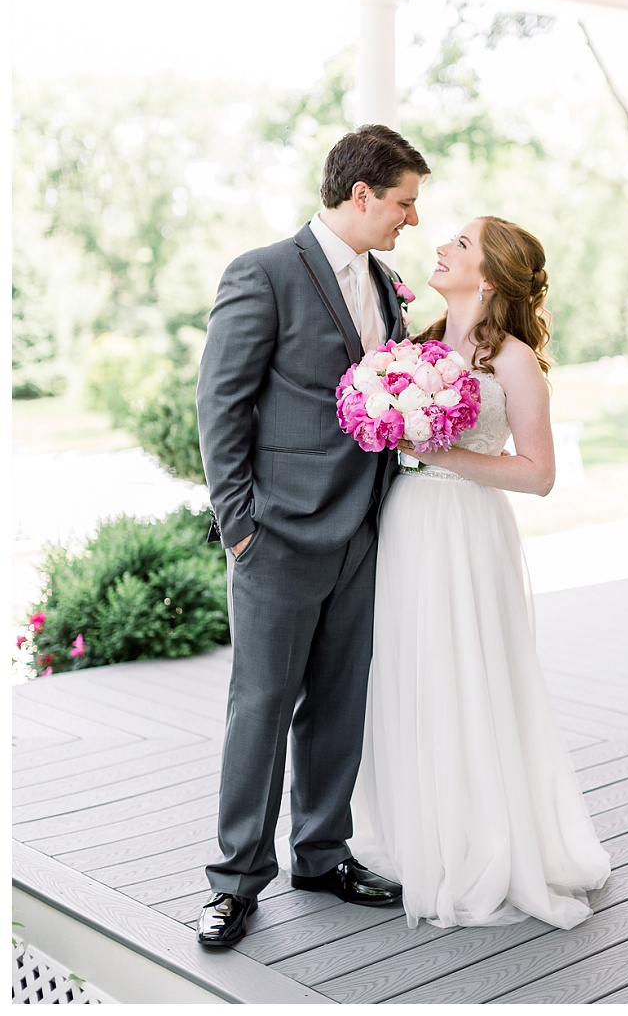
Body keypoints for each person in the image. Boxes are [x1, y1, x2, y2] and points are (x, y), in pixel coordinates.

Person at [195, 124, 429, 946]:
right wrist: (240, 528)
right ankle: (234, 881)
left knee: (339, 701)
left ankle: (323, 853)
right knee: (260, 707)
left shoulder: (388, 283)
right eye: (403, 202)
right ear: (361, 194)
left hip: (364, 527)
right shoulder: (262, 273)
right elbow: (220, 407)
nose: (411, 219)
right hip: (278, 535)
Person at [349, 216, 612, 929]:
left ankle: (486, 840)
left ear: (490, 274)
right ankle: (423, 832)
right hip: (407, 524)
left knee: (473, 672)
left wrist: (436, 454)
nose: (442, 247)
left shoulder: (515, 361)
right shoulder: (415, 343)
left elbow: (539, 475)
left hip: (468, 528)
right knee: (414, 668)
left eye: (461, 244)